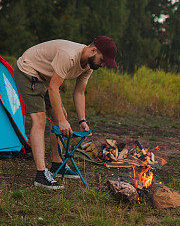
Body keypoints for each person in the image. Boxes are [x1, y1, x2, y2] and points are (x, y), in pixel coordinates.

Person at [14, 37, 117, 189]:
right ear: (94, 50)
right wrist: (62, 121)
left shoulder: (89, 65)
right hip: (29, 70)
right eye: (102, 60)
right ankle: (41, 175)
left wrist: (82, 120)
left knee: (60, 116)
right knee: (40, 120)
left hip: (46, 77)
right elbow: (53, 88)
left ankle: (57, 164)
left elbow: (79, 92)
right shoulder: (68, 55)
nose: (102, 65)